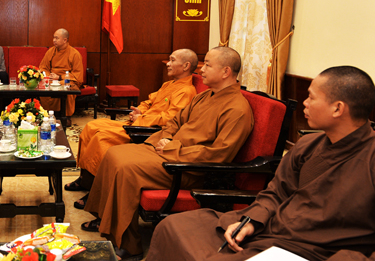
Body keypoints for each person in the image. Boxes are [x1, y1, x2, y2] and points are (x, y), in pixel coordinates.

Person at [146, 66, 375, 261]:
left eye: (311, 97)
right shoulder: (308, 145)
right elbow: (275, 192)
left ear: (338, 109)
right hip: (271, 230)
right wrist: (252, 220)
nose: (304, 103)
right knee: (175, 226)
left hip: (315, 251)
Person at [81, 46, 254, 261]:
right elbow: (175, 121)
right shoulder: (205, 96)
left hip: (189, 168)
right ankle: (106, 221)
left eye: (208, 65)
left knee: (126, 167)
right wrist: (166, 140)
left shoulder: (237, 109)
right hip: (169, 153)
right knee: (115, 154)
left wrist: (173, 148)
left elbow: (219, 154)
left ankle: (129, 245)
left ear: (226, 71)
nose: (201, 70)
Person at [66, 49, 199, 209]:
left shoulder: (187, 91)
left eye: (172, 60)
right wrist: (140, 110)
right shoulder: (169, 84)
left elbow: (171, 119)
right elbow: (150, 101)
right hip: (139, 122)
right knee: (91, 125)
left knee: (101, 138)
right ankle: (86, 179)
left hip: (148, 131)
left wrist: (142, 119)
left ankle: (98, 190)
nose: (168, 64)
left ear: (185, 66)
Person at [39, 28, 84, 127]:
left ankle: (66, 116)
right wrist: (47, 76)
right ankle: (48, 114)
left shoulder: (74, 54)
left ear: (65, 40)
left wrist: (59, 77)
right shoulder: (50, 52)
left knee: (66, 86)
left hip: (66, 80)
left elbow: (77, 75)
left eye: (57, 38)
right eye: (53, 38)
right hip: (51, 79)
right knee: (45, 85)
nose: (54, 40)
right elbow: (43, 67)